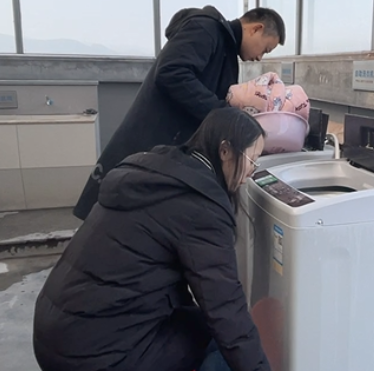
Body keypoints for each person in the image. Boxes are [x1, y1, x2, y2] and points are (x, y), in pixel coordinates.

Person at [33, 107, 270, 371]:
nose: (251, 172)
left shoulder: (159, 173)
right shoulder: (199, 206)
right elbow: (226, 309)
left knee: (208, 328)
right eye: (252, 160)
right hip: (94, 354)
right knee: (225, 349)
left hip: (55, 333)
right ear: (225, 151)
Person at [73, 5, 285, 220]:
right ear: (256, 29)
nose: (260, 58)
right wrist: (221, 111)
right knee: (118, 212)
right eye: (265, 49)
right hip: (154, 138)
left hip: (165, 148)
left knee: (137, 216)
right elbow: (172, 72)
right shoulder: (206, 28)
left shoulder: (225, 49)